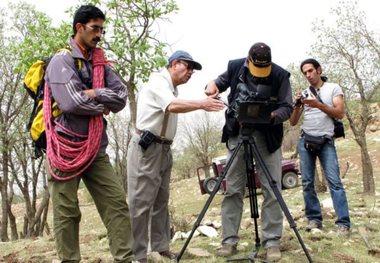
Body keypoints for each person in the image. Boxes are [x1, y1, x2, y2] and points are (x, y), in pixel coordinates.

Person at [45, 5, 134, 262]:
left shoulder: (100, 63)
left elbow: (120, 98)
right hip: (64, 148)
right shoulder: (61, 60)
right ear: (79, 28)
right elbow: (71, 102)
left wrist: (95, 93)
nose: (99, 35)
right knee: (67, 211)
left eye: (101, 29)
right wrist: (101, 101)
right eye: (95, 29)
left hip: (96, 148)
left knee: (116, 204)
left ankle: (125, 258)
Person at [127, 50, 224, 263]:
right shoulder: (158, 82)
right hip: (147, 149)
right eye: (187, 67)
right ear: (174, 64)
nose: (190, 72)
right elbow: (171, 106)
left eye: (192, 69)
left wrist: (204, 102)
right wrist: (202, 103)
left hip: (163, 149)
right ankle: (137, 255)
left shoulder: (172, 89)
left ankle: (161, 248)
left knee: (161, 200)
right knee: (141, 202)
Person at [205, 42, 293, 262]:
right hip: (239, 133)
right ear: (248, 59)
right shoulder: (235, 67)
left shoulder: (280, 75)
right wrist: (211, 86)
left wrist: (270, 116)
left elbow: (287, 107)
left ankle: (272, 241)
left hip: (268, 137)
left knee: (272, 188)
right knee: (233, 188)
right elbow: (217, 83)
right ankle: (229, 241)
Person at [289, 58, 351, 236]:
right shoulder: (304, 92)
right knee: (307, 182)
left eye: (310, 71)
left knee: (335, 182)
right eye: (305, 73)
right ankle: (314, 219)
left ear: (318, 70)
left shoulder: (333, 88)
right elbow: (293, 122)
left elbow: (340, 113)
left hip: (326, 140)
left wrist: (318, 105)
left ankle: (343, 223)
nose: (308, 75)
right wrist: (297, 106)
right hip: (306, 140)